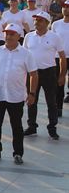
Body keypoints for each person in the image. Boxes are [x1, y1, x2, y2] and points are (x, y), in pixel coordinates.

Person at [0, 24, 36, 164]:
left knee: (16, 126)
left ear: (18, 36)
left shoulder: (26, 53)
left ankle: (18, 153)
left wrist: (32, 93)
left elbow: (33, 74)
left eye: (12, 34)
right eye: (7, 34)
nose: (8, 36)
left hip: (15, 96)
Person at [23, 12, 66, 140]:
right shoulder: (29, 36)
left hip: (49, 72)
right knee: (31, 100)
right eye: (36, 20)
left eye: (40, 20)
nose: (36, 22)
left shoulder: (55, 37)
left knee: (51, 102)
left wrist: (62, 75)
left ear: (47, 23)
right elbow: (24, 55)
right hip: (32, 73)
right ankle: (32, 126)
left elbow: (62, 57)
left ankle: (52, 128)